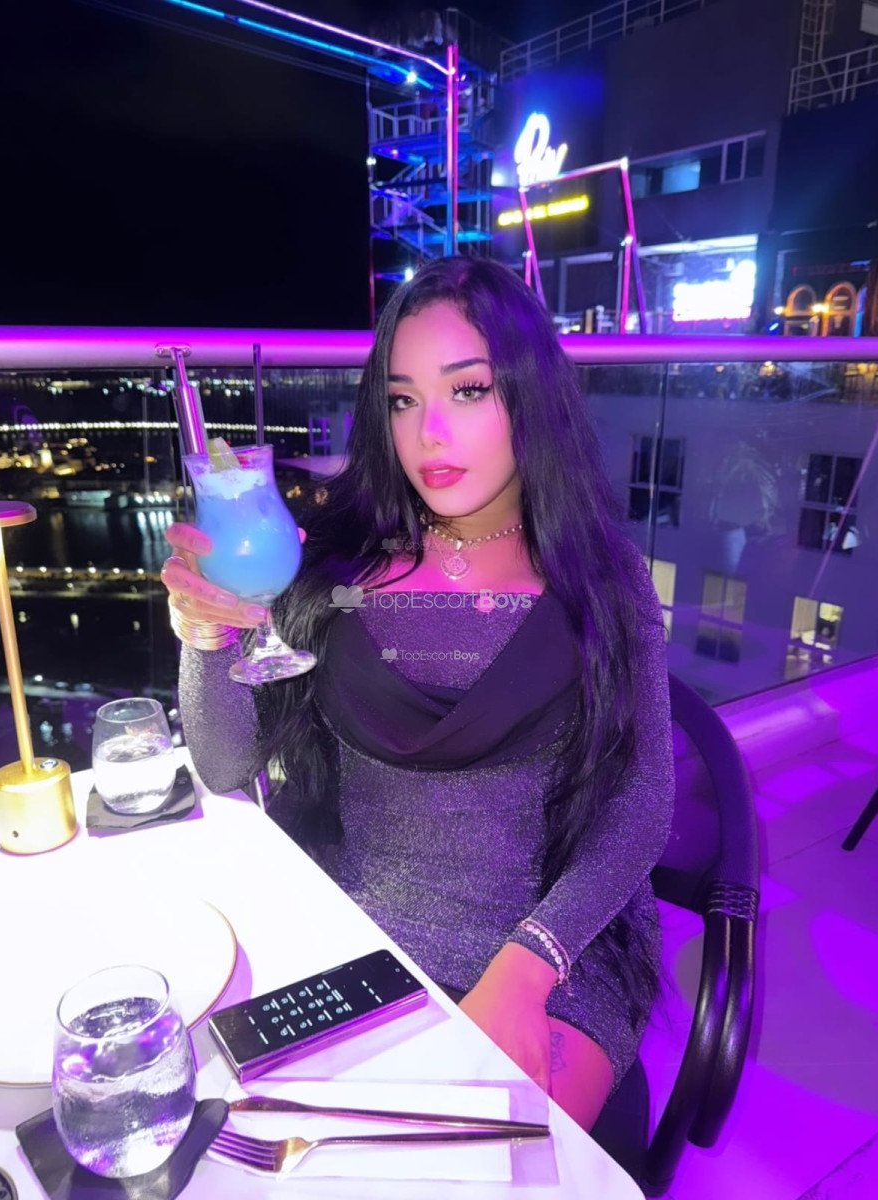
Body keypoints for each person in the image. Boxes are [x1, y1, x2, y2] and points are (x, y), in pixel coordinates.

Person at [161, 257, 674, 1132]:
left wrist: (526, 965)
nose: (429, 433)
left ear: (529, 395)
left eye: (467, 390)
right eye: (402, 400)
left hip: (556, 942)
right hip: (352, 922)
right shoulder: (331, 561)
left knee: (498, 1169)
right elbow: (222, 763)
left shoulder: (604, 578)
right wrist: (204, 638)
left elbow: (641, 801)